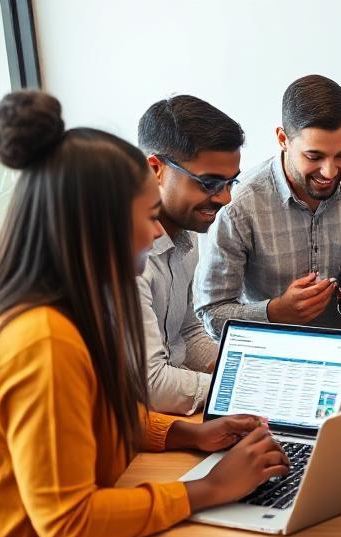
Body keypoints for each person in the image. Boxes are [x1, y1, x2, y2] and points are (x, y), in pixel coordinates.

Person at [0, 91, 288, 537]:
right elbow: (68, 523)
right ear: (97, 226)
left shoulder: (69, 314)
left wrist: (183, 433)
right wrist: (209, 490)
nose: (158, 234)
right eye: (150, 214)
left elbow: (97, 415)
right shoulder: (45, 341)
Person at [195, 75, 341, 339]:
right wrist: (275, 311)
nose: (329, 171)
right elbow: (211, 314)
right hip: (262, 355)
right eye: (314, 156)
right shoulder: (238, 205)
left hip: (340, 350)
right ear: (283, 139)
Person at [136, 95, 244, 414]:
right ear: (156, 169)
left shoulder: (187, 233)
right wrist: (241, 388)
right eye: (209, 183)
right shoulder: (126, 256)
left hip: (165, 419)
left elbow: (185, 333)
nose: (225, 198)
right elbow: (151, 385)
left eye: (230, 183)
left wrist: (240, 369)